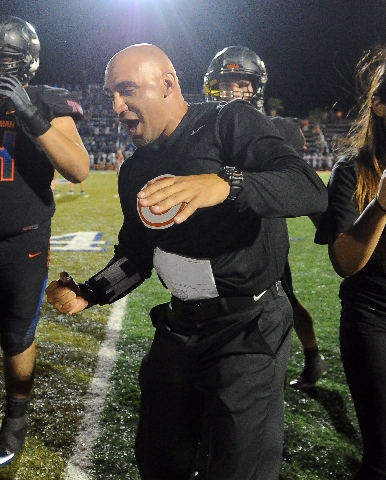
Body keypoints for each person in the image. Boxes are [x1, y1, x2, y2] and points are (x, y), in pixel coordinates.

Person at [46, 43, 327, 480]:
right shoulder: (136, 169)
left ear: (168, 84)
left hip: (247, 327)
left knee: (237, 468)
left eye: (126, 90)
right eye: (111, 96)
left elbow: (307, 187)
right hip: (180, 327)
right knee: (160, 458)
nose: (117, 106)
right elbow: (138, 254)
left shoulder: (229, 121)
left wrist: (225, 184)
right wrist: (91, 293)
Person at [203, 45, 327, 389]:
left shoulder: (278, 128)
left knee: (281, 296)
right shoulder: (205, 125)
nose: (232, 90)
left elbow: (293, 180)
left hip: (263, 231)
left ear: (257, 87)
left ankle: (310, 355)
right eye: (225, 83)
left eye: (241, 82)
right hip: (219, 232)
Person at [0, 16, 89, 465]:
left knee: (16, 333)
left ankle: (15, 417)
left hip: (22, 238)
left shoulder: (46, 100)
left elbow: (78, 168)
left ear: (28, 63)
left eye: (9, 60)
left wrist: (30, 114)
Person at [315, 46, 386, 479]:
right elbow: (344, 262)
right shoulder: (351, 171)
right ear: (379, 105)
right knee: (380, 459)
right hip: (373, 317)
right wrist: (380, 206)